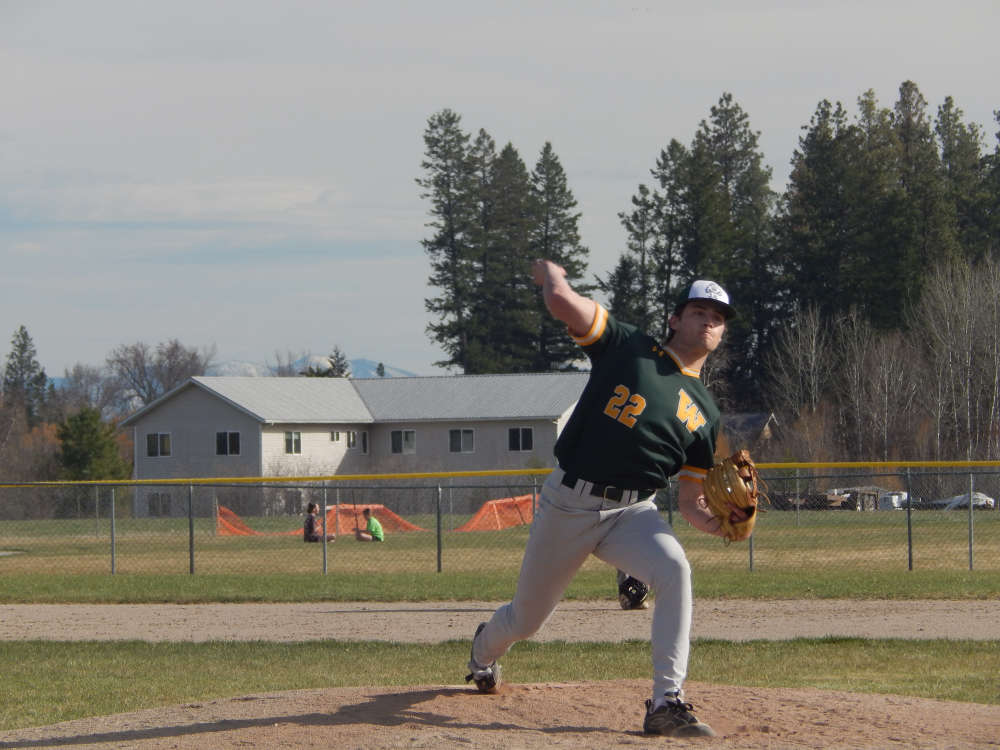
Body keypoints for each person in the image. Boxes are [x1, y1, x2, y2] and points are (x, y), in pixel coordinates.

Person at [465, 259, 748, 738]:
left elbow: (690, 501)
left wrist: (720, 524)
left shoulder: (706, 413)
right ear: (675, 319)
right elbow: (564, 304)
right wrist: (553, 278)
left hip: (632, 512)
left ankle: (666, 702)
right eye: (699, 311)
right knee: (526, 621)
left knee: (675, 569)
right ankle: (482, 653)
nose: (709, 321)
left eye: (717, 317)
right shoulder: (629, 347)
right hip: (568, 503)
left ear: (722, 333)